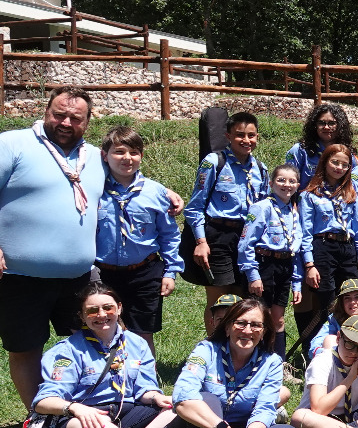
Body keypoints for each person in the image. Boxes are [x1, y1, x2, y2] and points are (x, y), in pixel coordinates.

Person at [0, 86, 106, 407]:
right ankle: (40, 419)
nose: (66, 122)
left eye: (76, 118)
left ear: (88, 121)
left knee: (97, 339)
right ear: (46, 112)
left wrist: (164, 197)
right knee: (26, 347)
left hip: (82, 276)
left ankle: (92, 411)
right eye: (59, 114)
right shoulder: (11, 144)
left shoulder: (97, 157)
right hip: (15, 274)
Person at [160, 297, 299, 428]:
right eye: (240, 323)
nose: (247, 330)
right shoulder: (206, 350)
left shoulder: (271, 363)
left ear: (264, 332)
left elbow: (265, 409)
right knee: (206, 399)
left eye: (255, 325)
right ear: (227, 328)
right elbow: (182, 398)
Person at [23, 283, 174, 428]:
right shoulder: (67, 351)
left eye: (108, 308)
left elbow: (145, 389)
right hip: (85, 420)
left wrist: (158, 397)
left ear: (119, 308)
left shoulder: (137, 344)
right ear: (82, 316)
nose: (102, 315)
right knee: (79, 427)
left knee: (178, 407)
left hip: (125, 413)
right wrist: (76, 409)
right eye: (93, 311)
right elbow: (42, 402)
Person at [95, 125, 183, 349]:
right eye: (119, 152)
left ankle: (144, 380)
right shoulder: (93, 190)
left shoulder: (155, 193)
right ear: (105, 156)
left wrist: (171, 271)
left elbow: (169, 235)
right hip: (103, 273)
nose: (127, 158)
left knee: (143, 332)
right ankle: (106, 379)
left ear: (141, 156)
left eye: (134, 152)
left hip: (145, 272)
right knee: (102, 329)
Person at [184, 110, 269, 308]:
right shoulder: (214, 162)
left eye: (251, 135)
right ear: (228, 136)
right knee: (219, 301)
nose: (246, 140)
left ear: (257, 137)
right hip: (218, 236)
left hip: (246, 238)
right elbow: (195, 207)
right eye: (239, 134)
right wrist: (201, 242)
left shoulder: (261, 169)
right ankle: (215, 339)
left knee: (243, 298)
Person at [297, 144, 358, 344]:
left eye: (345, 165)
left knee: (352, 297)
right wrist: (309, 265)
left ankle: (353, 344)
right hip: (322, 247)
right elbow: (305, 232)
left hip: (347, 248)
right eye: (335, 162)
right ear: (325, 162)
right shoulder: (310, 195)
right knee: (327, 300)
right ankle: (321, 345)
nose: (339, 167)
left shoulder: (350, 194)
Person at [238, 162, 304, 358]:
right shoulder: (262, 207)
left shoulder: (294, 210)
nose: (287, 185)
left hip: (285, 266)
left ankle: (277, 363)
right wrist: (253, 275)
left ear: (298, 185)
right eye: (281, 180)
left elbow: (296, 248)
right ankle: (252, 359)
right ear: (271, 183)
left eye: (292, 181)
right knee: (257, 317)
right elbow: (245, 243)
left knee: (278, 319)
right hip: (264, 264)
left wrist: (297, 283)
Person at [286, 103, 354, 184]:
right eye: (321, 123)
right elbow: (288, 183)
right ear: (314, 125)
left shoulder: (348, 154)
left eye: (332, 123)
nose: (326, 127)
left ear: (340, 126)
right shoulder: (299, 151)